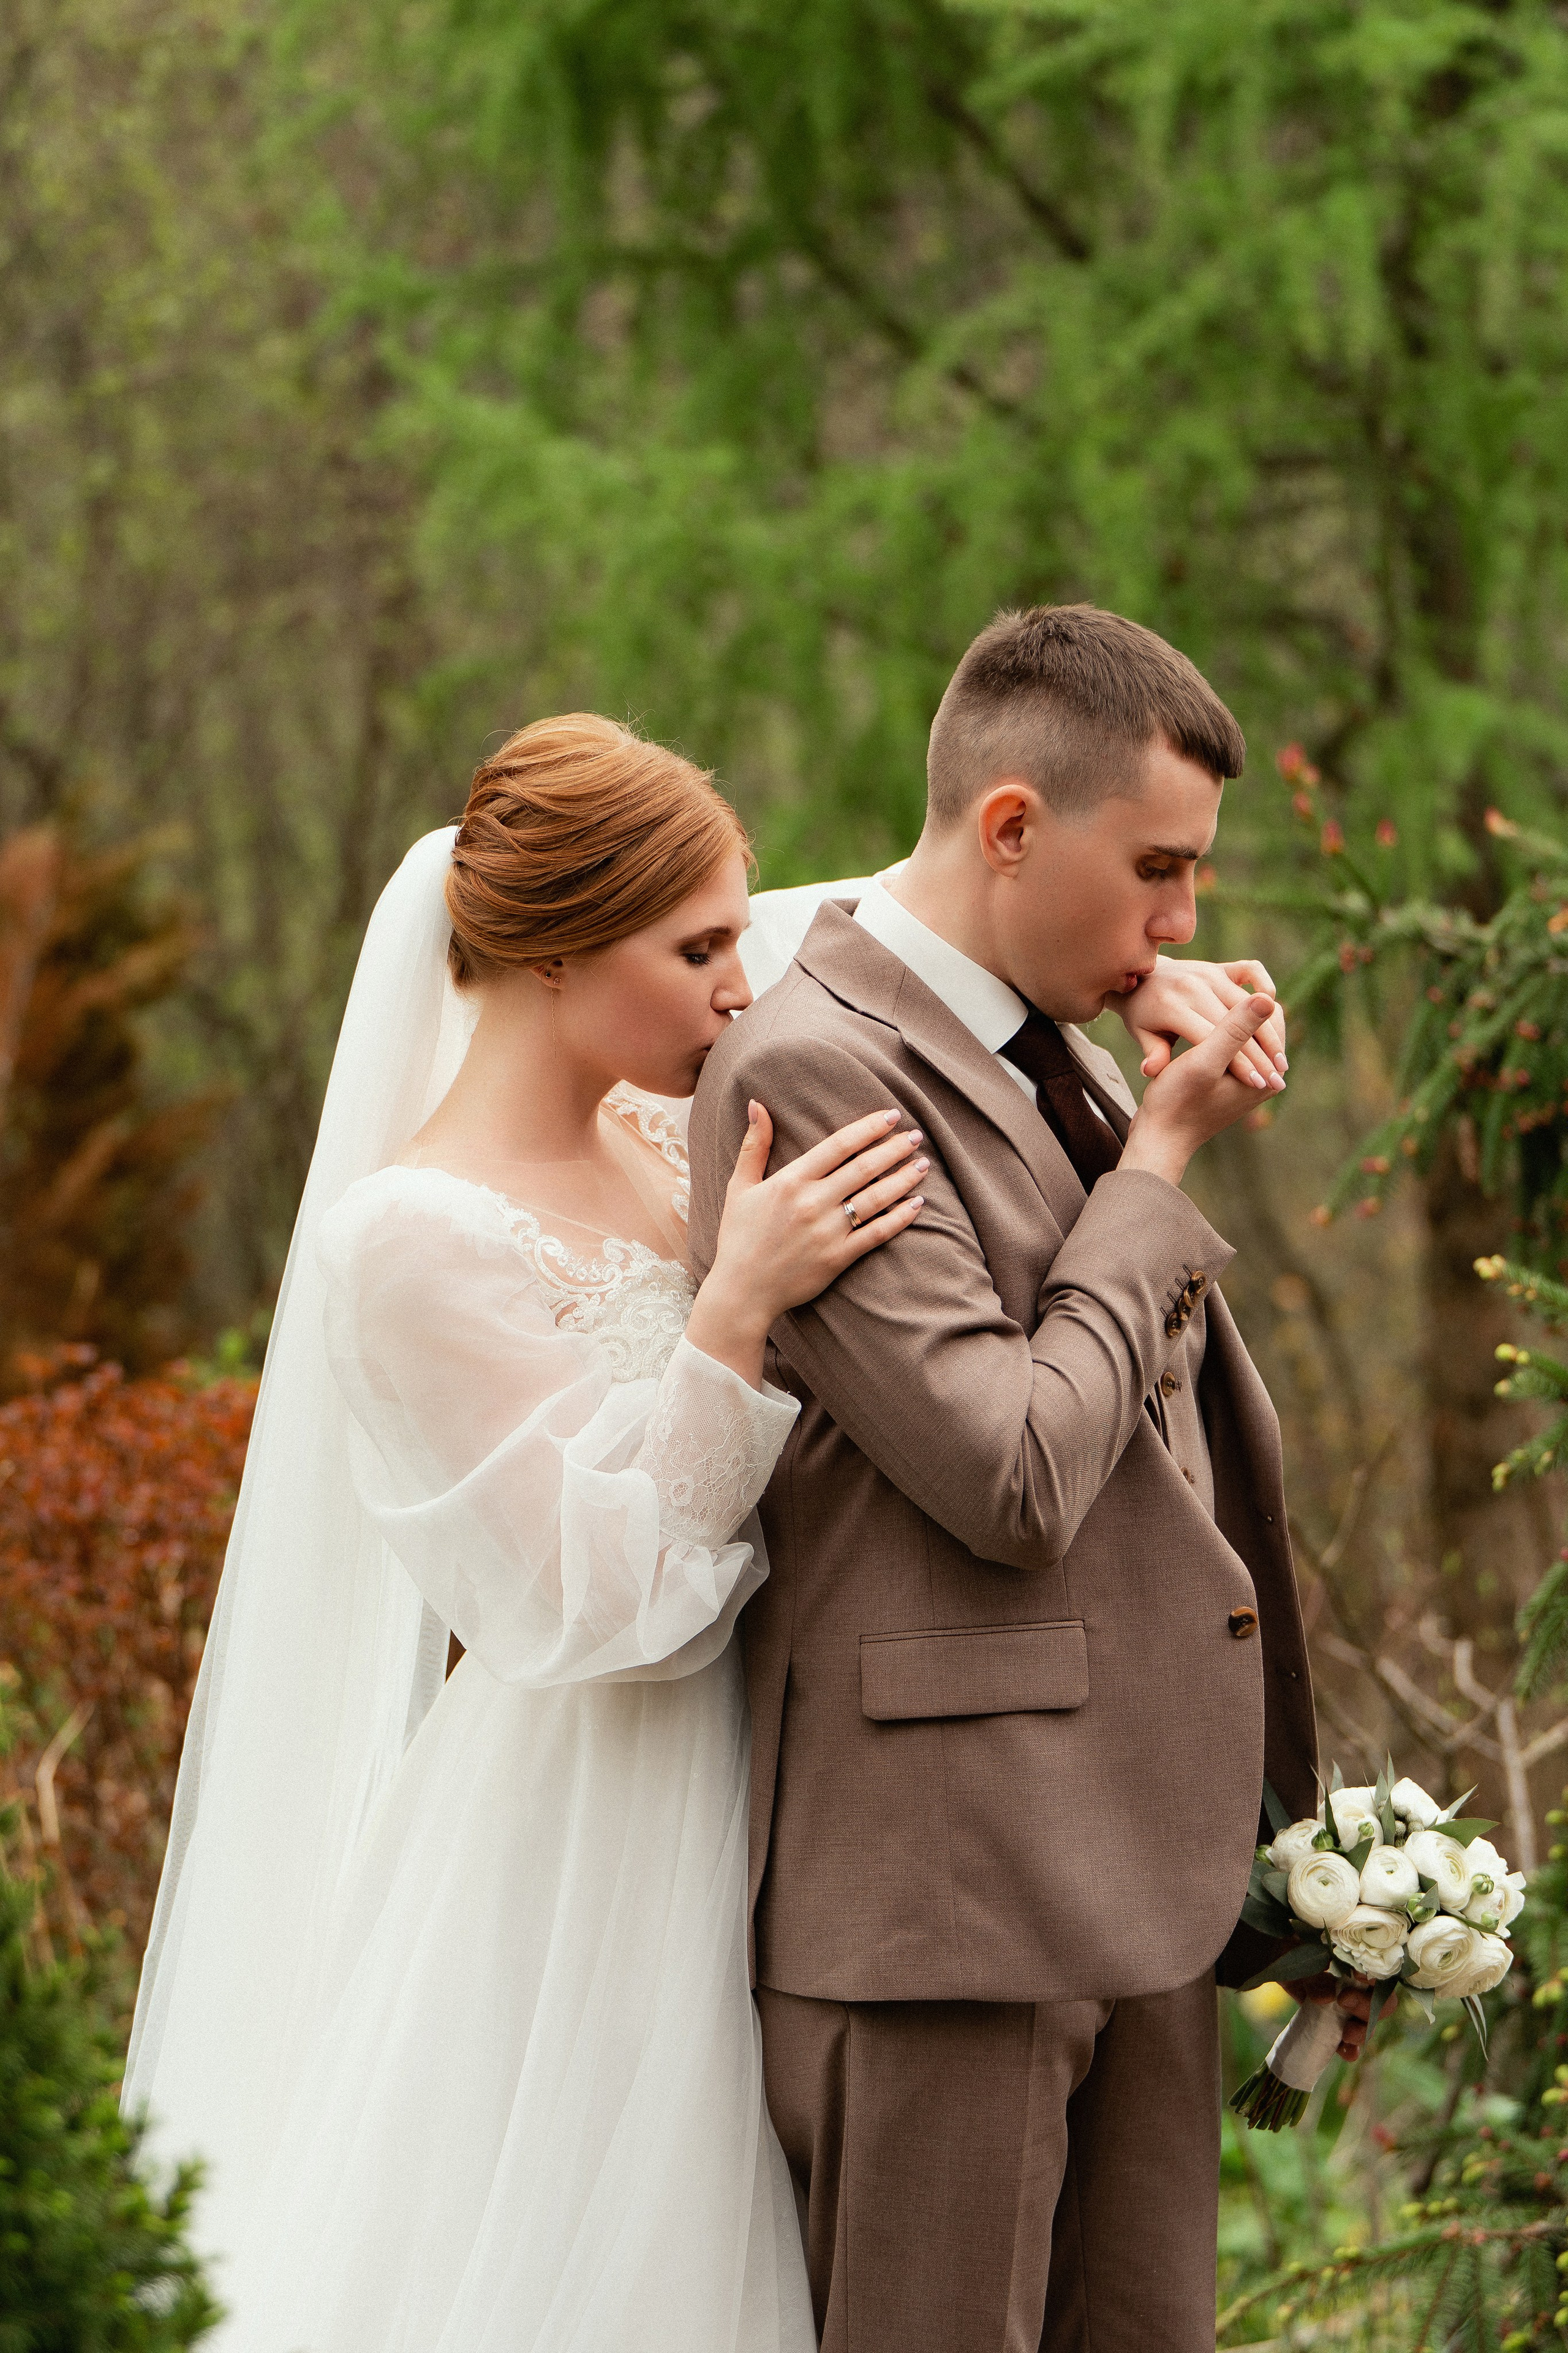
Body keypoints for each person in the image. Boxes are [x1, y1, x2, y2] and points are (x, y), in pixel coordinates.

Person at [123, 714, 930, 2351]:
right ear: (559, 951)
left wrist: (1150, 968)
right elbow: (591, 1604)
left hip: (796, 1763)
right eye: (698, 946)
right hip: (597, 1827)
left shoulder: (658, 1126)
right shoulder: (411, 1240)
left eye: (737, 934)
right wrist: (737, 1306)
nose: (740, 984)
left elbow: (898, 908)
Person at [686, 603, 1333, 2353]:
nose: (1186, 923)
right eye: (1161, 870)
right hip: (945, 1910)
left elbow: (1172, 1438)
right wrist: (1174, 1150)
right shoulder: (815, 1065)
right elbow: (1017, 1466)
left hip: (1131, 1875)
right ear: (1012, 828)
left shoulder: (1066, 1052)